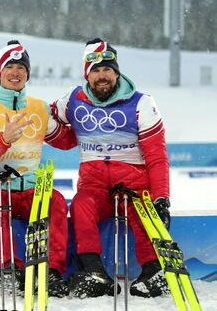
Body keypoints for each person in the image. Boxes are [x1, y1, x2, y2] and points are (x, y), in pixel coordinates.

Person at [51, 38, 171, 298]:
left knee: (145, 213)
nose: (102, 76)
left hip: (134, 186)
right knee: (81, 205)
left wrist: (162, 197)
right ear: (87, 74)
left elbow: (157, 157)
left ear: (117, 72)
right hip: (94, 187)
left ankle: (153, 270)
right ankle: (93, 271)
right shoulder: (73, 99)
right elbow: (51, 126)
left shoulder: (142, 103)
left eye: (107, 69)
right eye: (95, 71)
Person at [0, 40, 77, 297]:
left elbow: (67, 141)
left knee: (55, 201)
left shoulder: (39, 108)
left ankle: (53, 272)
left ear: (28, 73)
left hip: (30, 186)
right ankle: (10, 269)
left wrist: (77, 104)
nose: (16, 72)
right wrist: (3, 140)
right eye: (10, 66)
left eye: (22, 67)